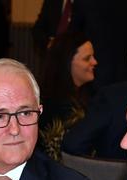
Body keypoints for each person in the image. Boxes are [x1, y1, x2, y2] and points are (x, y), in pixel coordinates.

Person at [38, 32, 96, 160]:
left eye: (93, 56)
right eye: (87, 58)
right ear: (67, 62)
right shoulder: (55, 106)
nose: (94, 62)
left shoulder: (85, 96)